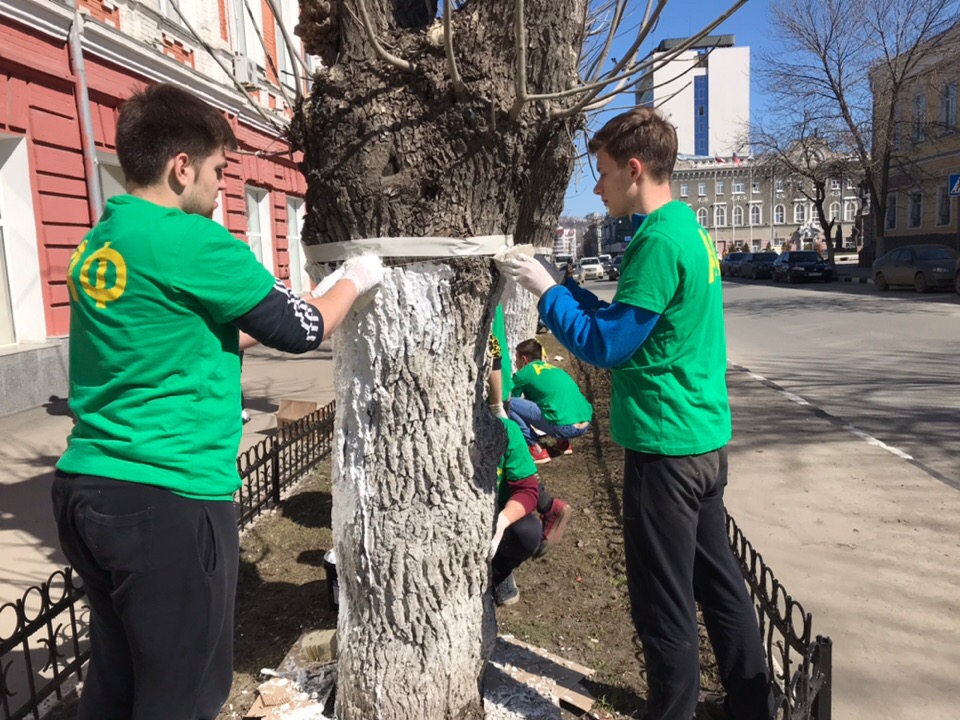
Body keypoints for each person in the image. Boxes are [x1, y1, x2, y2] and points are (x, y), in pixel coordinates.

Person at [51, 82, 383, 720]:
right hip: (165, 496)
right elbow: (302, 329)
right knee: (182, 693)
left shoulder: (102, 239)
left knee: (117, 675)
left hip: (87, 487)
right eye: (218, 172)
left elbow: (175, 328)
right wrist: (356, 278)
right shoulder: (192, 242)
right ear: (182, 167)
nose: (220, 189)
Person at [499, 107, 772, 720]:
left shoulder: (654, 239)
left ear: (634, 167)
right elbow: (629, 324)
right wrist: (563, 285)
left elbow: (606, 347)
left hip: (665, 449)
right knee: (718, 581)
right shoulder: (688, 229)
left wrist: (544, 291)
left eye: (600, 174)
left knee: (662, 599)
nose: (595, 187)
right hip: (702, 441)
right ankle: (753, 706)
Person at [490, 416, 571, 605]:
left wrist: (503, 521)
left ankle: (500, 570)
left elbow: (527, 490)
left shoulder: (506, 430)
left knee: (528, 532)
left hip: (499, 509)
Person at [509, 338, 592, 463]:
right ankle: (563, 444)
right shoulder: (554, 369)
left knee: (509, 403)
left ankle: (536, 449)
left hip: (564, 428)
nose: (515, 362)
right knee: (550, 400)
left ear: (524, 359)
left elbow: (509, 395)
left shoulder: (525, 373)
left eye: (516, 358)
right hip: (585, 423)